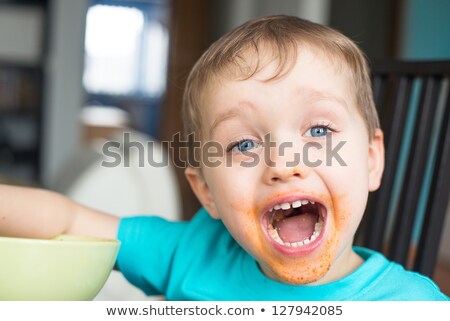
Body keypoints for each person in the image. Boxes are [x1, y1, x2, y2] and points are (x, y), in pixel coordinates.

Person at [0, 15, 448, 300]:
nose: (283, 163)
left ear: (371, 160)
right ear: (205, 191)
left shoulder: (409, 305)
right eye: (244, 145)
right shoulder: (191, 255)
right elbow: (67, 219)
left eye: (318, 130)